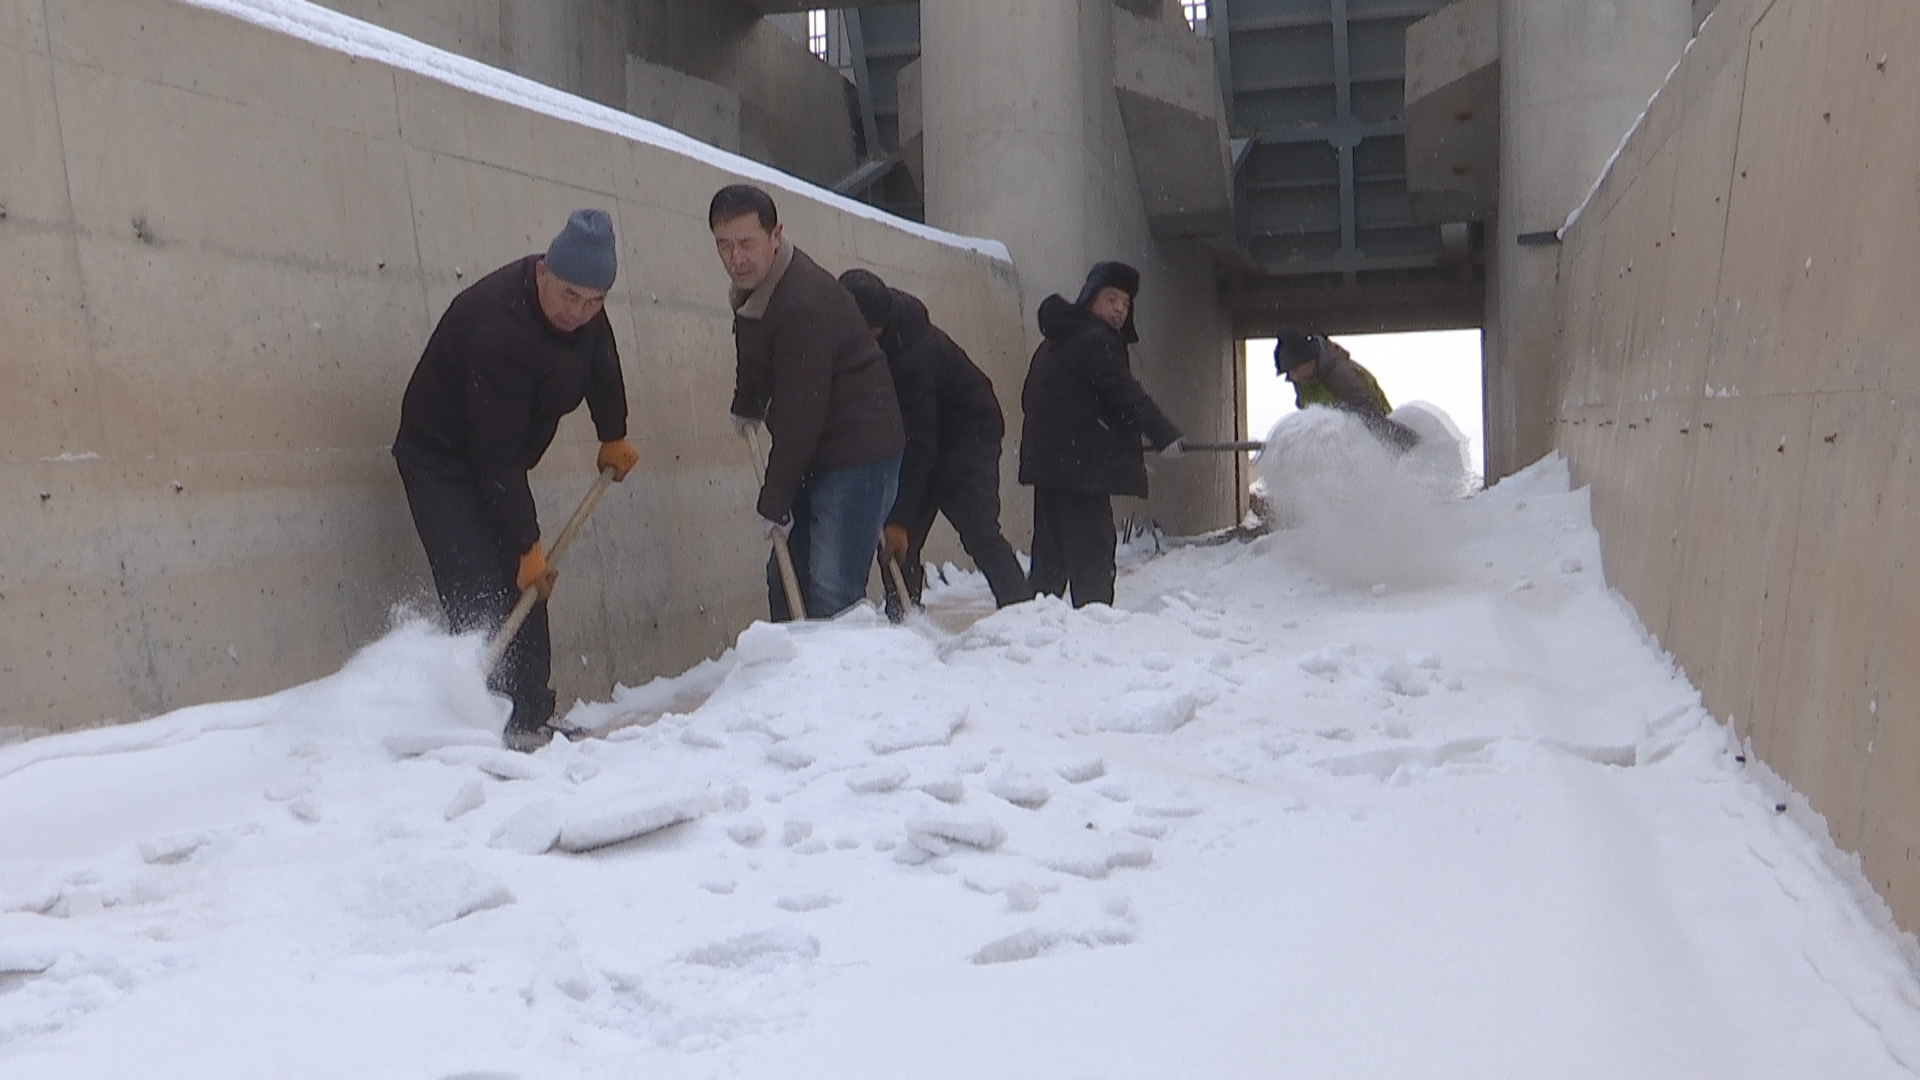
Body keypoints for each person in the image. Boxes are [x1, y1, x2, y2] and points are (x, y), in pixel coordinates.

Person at [393, 209, 639, 753]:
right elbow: (495, 455)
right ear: (544, 272)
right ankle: (482, 722)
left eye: (594, 302)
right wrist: (526, 543)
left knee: (527, 587)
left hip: (496, 460)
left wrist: (613, 433)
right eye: (570, 296)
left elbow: (602, 364)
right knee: (480, 586)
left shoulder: (585, 313)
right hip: (441, 461)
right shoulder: (497, 327)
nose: (579, 312)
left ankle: (528, 715)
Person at [711, 184, 904, 621]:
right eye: (724, 245)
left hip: (858, 454)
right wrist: (747, 401)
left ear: (775, 235)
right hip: (816, 452)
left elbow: (802, 412)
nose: (736, 258)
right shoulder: (756, 290)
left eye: (746, 243)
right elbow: (754, 350)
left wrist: (774, 502)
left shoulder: (803, 302)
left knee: (832, 590)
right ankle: (791, 664)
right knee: (786, 581)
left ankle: (850, 666)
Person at [838, 269, 1033, 619]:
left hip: (968, 432)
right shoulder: (853, 336)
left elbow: (919, 443)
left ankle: (1023, 613)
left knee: (976, 528)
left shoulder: (911, 353)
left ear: (879, 325)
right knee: (896, 546)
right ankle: (905, 622)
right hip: (921, 437)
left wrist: (900, 519)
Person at [1017, 261, 1184, 608]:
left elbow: (1029, 398)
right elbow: (1125, 393)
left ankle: (1037, 625)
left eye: (1126, 303)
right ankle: (1094, 623)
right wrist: (1163, 433)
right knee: (1092, 555)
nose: (1120, 309)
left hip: (1050, 465)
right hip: (1080, 468)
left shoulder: (1055, 341)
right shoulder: (1095, 341)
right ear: (1091, 298)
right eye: (1112, 299)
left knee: (1051, 558)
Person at [1274, 327, 1420, 452]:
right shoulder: (1304, 382)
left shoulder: (1341, 375)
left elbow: (1371, 416)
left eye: (1294, 370)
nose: (1291, 377)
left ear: (1307, 360)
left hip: (1372, 437)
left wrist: (1403, 446)